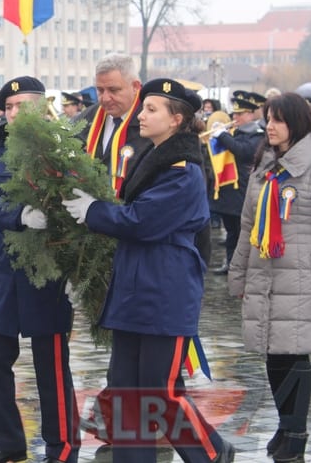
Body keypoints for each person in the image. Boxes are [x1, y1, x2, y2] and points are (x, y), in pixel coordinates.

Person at [63, 78, 235, 463]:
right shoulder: (154, 159)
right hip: (134, 288)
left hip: (164, 292)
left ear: (176, 120)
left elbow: (142, 221)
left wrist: (94, 211)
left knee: (160, 391)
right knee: (126, 389)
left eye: (151, 109)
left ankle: (211, 454)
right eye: (143, 107)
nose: (140, 115)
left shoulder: (182, 170)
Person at [228, 92, 311, 462]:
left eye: (277, 119)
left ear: (296, 124)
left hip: (302, 280)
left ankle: (296, 431)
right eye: (268, 119)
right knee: (274, 353)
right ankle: (284, 423)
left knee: (295, 353)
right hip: (265, 277)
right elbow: (248, 228)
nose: (270, 126)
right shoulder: (263, 170)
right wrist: (239, 274)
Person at [0, 77, 79, 463]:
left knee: (51, 363)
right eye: (9, 107)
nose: (14, 113)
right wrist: (18, 214)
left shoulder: (62, 148)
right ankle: (7, 441)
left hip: (49, 265)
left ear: (42, 107)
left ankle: (61, 446)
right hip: (6, 265)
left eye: (23, 105)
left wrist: (77, 267)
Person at [78, 53, 150, 199]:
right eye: (100, 90)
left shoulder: (151, 122)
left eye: (113, 90)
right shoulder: (88, 117)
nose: (105, 98)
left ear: (135, 86)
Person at [208, 91, 264, 275]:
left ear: (250, 115)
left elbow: (244, 152)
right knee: (232, 232)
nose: (235, 118)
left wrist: (223, 136)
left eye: (240, 114)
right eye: (234, 114)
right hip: (229, 192)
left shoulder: (257, 135)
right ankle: (231, 264)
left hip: (243, 190)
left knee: (243, 232)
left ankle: (244, 266)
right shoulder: (235, 132)